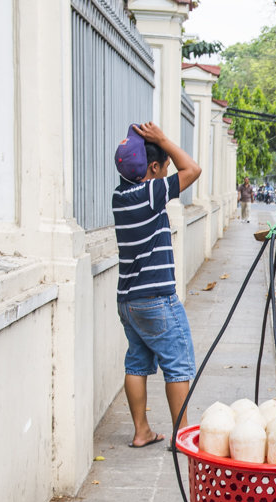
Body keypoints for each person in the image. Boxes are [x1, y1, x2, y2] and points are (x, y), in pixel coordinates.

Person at [111, 122, 201, 448]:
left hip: (128, 300)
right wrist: (163, 139)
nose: (168, 171)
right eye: (163, 166)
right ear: (152, 167)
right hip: (156, 298)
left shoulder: (120, 196)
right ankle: (182, 436)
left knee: (136, 362)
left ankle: (141, 431)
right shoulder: (150, 193)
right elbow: (192, 169)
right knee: (178, 364)